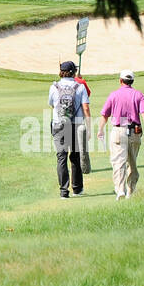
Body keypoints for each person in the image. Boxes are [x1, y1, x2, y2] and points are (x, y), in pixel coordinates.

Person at [96, 70, 144, 199]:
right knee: (132, 163)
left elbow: (105, 114)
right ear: (132, 81)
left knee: (118, 162)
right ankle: (130, 191)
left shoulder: (114, 95)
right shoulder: (138, 95)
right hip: (134, 131)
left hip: (118, 131)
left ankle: (120, 190)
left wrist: (100, 129)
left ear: (120, 81)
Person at [48, 60, 90, 198]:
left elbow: (52, 105)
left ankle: (63, 191)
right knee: (75, 156)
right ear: (73, 72)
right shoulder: (80, 87)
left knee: (61, 157)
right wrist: (88, 127)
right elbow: (86, 108)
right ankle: (77, 189)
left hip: (58, 124)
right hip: (76, 125)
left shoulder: (54, 86)